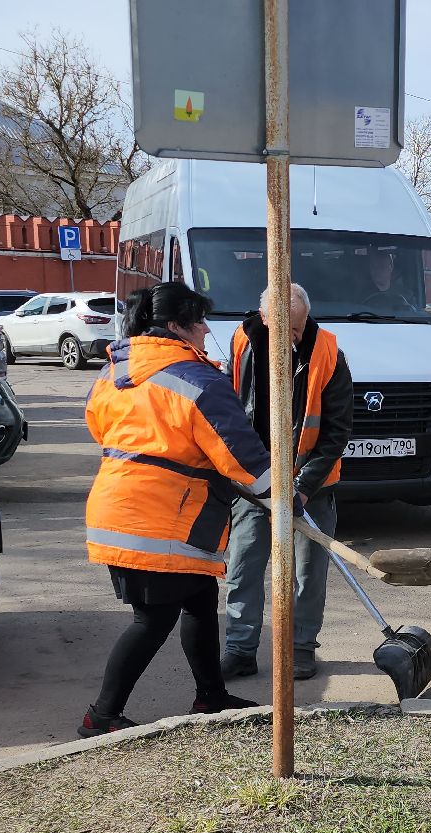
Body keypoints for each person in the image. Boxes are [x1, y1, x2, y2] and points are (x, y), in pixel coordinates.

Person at [79, 282, 275, 738]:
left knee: (201, 603)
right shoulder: (196, 380)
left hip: (125, 507)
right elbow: (240, 454)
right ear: (177, 328)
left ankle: (211, 696)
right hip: (159, 519)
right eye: (200, 321)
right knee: (152, 620)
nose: (208, 330)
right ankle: (100, 715)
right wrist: (281, 495)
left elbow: (99, 424)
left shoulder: (115, 372)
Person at [221, 282, 356, 680]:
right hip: (253, 481)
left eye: (298, 328)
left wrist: (305, 485)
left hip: (310, 485)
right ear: (265, 320)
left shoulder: (329, 353)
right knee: (243, 564)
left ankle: (300, 648)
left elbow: (336, 431)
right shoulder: (241, 345)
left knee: (308, 572)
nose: (293, 337)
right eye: (285, 329)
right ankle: (241, 648)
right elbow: (229, 411)